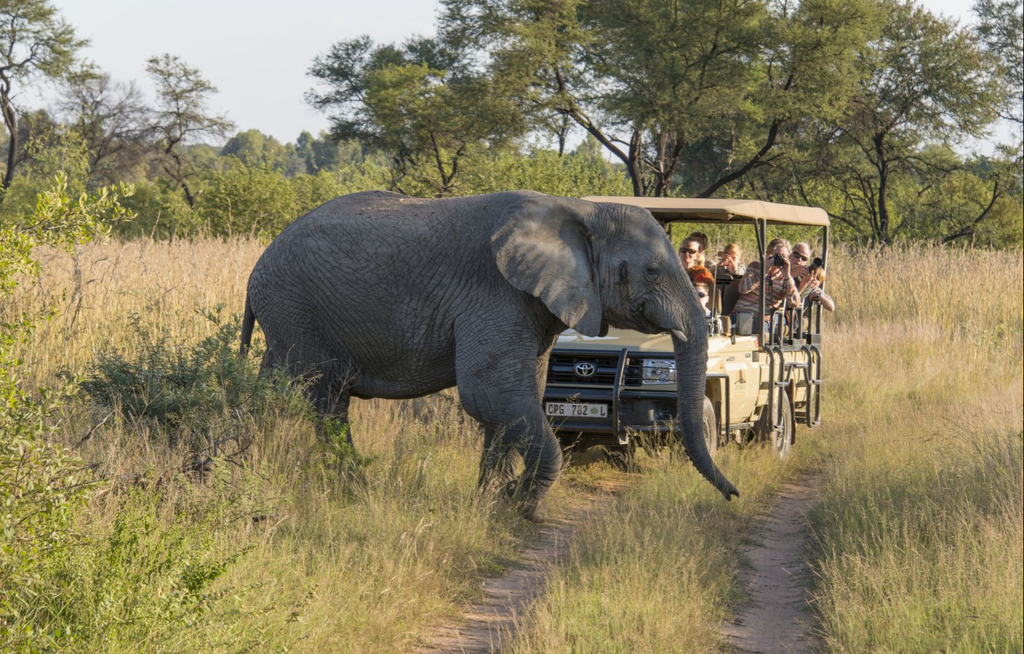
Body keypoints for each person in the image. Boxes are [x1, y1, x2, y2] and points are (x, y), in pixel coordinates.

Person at [731, 237, 802, 324]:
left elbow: (795, 303)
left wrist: (787, 276)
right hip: (741, 314)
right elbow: (742, 289)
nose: (780, 259)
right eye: (777, 255)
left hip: (762, 319)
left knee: (757, 326)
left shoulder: (785, 277)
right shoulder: (755, 267)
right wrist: (764, 271)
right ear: (768, 254)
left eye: (784, 256)